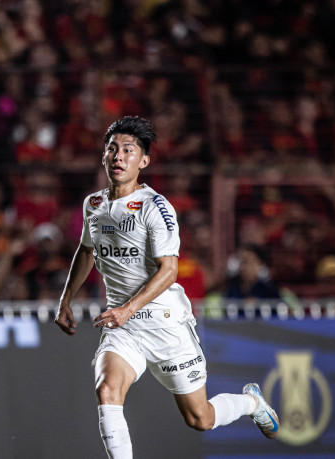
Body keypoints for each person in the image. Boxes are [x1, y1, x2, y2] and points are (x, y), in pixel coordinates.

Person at [54, 116, 279, 458]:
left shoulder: (154, 207)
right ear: (103, 156)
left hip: (165, 323)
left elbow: (170, 270)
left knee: (200, 418)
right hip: (124, 328)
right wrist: (66, 299)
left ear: (143, 161)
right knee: (108, 389)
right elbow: (86, 251)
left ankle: (251, 402)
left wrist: (128, 308)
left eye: (128, 150)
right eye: (112, 149)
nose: (118, 156)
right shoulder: (93, 205)